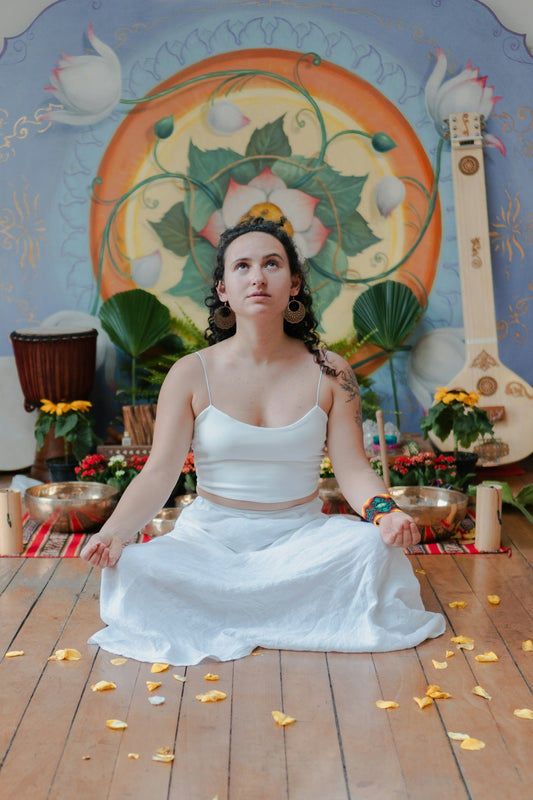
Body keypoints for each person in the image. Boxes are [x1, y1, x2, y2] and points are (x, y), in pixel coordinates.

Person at [81, 207, 445, 665]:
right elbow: (159, 473)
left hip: (301, 539)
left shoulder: (331, 371)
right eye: (242, 266)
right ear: (223, 290)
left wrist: (385, 513)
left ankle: (236, 611)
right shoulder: (191, 374)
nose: (258, 277)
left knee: (372, 550)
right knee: (133, 568)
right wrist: (114, 533)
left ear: (293, 283)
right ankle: (282, 613)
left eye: (272, 264)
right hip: (210, 543)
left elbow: (352, 467)